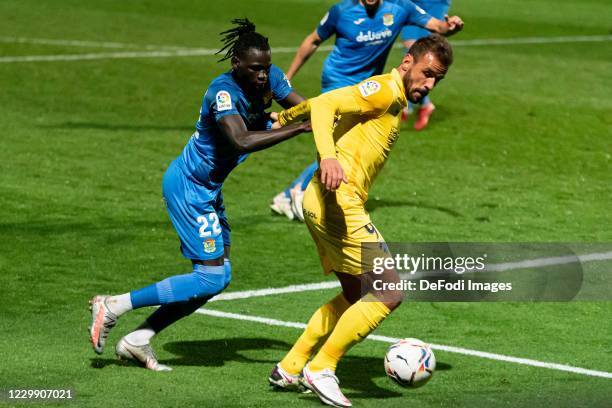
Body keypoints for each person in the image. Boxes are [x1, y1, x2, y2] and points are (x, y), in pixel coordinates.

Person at [88, 19, 310, 371]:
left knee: (216, 278)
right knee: (209, 276)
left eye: (267, 68)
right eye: (256, 69)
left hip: (209, 189)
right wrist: (295, 127)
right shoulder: (221, 92)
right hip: (189, 188)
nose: (263, 76)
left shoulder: (272, 78)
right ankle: (113, 305)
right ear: (236, 63)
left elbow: (306, 107)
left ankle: (138, 339)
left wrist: (342, 111)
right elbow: (241, 139)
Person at [268, 34, 454, 407]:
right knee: (388, 292)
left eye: (438, 79)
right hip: (338, 204)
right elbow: (325, 105)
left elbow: (324, 105)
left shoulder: (393, 96)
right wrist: (327, 157)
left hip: (321, 203)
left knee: (356, 294)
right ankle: (322, 368)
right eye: (427, 73)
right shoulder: (384, 90)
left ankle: (290, 366)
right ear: (407, 64)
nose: (430, 84)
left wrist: (284, 117)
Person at [269, 0, 463, 222]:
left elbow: (438, 27)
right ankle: (297, 191)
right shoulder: (341, 12)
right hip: (339, 80)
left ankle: (294, 191)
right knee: (339, 141)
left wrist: (451, 27)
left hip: (371, 89)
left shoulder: (400, 8)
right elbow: (313, 40)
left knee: (345, 141)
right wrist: (288, 77)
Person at [401, 0, 453, 130]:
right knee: (413, 52)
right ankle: (416, 104)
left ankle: (411, 103)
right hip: (412, 2)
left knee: (425, 50)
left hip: (434, 3)